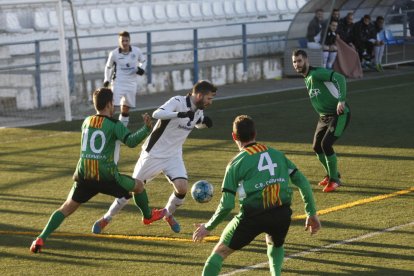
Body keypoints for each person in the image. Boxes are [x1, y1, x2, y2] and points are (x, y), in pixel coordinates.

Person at [29, 88, 166, 253]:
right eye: (113, 103)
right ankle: (148, 216)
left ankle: (40, 238)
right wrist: (146, 128)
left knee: (65, 208)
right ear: (109, 104)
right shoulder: (114, 124)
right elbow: (130, 142)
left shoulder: (86, 121)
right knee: (138, 186)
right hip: (106, 176)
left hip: (84, 174)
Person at [192, 115, 321, 276]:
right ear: (255, 133)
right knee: (275, 245)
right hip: (281, 214)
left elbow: (227, 205)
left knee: (219, 253)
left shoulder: (235, 163)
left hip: (252, 217)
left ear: (234, 137)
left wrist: (208, 226)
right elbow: (302, 182)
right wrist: (311, 213)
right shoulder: (277, 154)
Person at [92, 80, 217, 234]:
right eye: (209, 98)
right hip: (153, 153)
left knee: (182, 188)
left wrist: (204, 123)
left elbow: (195, 122)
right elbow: (156, 114)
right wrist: (180, 114)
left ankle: (168, 214)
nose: (210, 102)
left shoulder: (199, 109)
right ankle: (106, 218)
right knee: (131, 189)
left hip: (174, 155)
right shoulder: (177, 102)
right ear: (199, 95)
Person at [291, 49, 351, 192]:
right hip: (324, 117)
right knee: (317, 147)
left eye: (299, 61)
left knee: (326, 144)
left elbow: (340, 78)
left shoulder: (316, 73)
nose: (297, 64)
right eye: (294, 62)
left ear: (306, 60)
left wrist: (341, 100)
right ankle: (332, 174)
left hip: (339, 114)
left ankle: (335, 180)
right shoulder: (307, 77)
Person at [103, 30, 147, 164]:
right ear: (119, 41)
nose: (125, 43)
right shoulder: (114, 54)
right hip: (118, 82)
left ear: (130, 40)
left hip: (131, 83)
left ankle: (121, 131)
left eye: (127, 40)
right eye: (122, 41)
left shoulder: (136, 51)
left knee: (126, 108)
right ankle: (107, 128)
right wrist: (106, 79)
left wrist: (141, 69)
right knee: (113, 107)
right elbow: (108, 67)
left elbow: (144, 60)